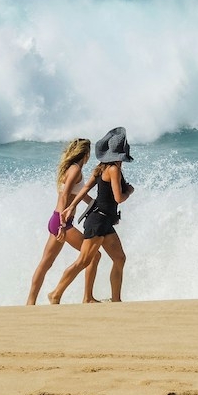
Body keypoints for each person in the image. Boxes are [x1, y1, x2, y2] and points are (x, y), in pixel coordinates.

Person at [48, 127, 135, 304]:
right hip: (98, 221)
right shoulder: (114, 170)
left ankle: (116, 300)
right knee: (83, 261)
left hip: (103, 220)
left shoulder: (100, 168)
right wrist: (130, 192)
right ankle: (55, 293)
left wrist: (72, 206)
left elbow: (86, 188)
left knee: (119, 258)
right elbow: (119, 197)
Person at [26, 138, 102, 305]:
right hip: (62, 222)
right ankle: (85, 297)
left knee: (46, 263)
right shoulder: (75, 169)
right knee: (94, 255)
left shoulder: (72, 169)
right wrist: (61, 225)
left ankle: (30, 303)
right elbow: (66, 195)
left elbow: (79, 195)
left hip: (57, 219)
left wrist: (98, 206)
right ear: (86, 154)